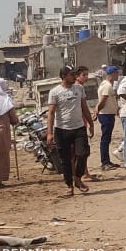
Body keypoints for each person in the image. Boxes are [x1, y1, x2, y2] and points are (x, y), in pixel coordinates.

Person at [47, 66, 93, 196]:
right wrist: (50, 133)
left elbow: (84, 107)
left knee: (83, 153)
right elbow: (51, 113)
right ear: (64, 76)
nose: (74, 77)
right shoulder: (55, 92)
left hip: (79, 127)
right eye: (72, 74)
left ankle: (78, 178)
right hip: (62, 130)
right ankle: (69, 185)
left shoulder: (79, 88)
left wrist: (90, 123)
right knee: (65, 159)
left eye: (75, 74)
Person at [93, 66, 121, 171]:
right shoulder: (107, 86)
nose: (118, 75)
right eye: (117, 73)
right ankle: (104, 162)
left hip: (108, 114)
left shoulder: (106, 84)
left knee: (107, 139)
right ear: (112, 74)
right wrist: (97, 111)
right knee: (105, 139)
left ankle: (107, 161)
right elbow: (102, 101)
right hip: (106, 115)